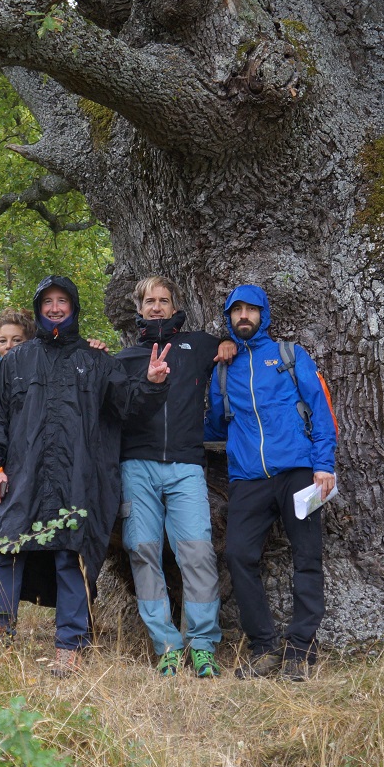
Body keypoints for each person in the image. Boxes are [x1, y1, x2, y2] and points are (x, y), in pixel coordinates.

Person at [0, 275, 170, 677]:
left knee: (72, 557)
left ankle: (70, 646)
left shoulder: (97, 361)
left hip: (79, 479)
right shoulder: (17, 360)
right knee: (8, 552)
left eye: (62, 301)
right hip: (22, 477)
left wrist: (151, 384)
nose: (55, 308)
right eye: (47, 301)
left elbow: (128, 408)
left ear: (73, 307)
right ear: (38, 308)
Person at [205, 284, 337, 681]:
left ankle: (300, 650)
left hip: (299, 471)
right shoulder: (223, 369)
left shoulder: (289, 355)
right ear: (228, 318)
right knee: (238, 556)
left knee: (307, 556)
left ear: (264, 315)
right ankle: (264, 647)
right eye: (236, 311)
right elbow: (213, 424)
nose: (243, 316)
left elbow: (320, 406)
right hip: (247, 477)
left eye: (251, 310)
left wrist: (324, 463)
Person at [114, 276, 236, 679]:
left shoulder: (197, 344)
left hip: (186, 465)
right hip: (137, 465)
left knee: (198, 553)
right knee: (143, 551)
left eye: (163, 300)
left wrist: (228, 345)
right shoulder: (126, 358)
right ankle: (166, 645)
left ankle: (202, 646)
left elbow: (230, 346)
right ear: (139, 307)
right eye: (149, 300)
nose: (157, 307)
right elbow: (119, 412)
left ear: (174, 306)